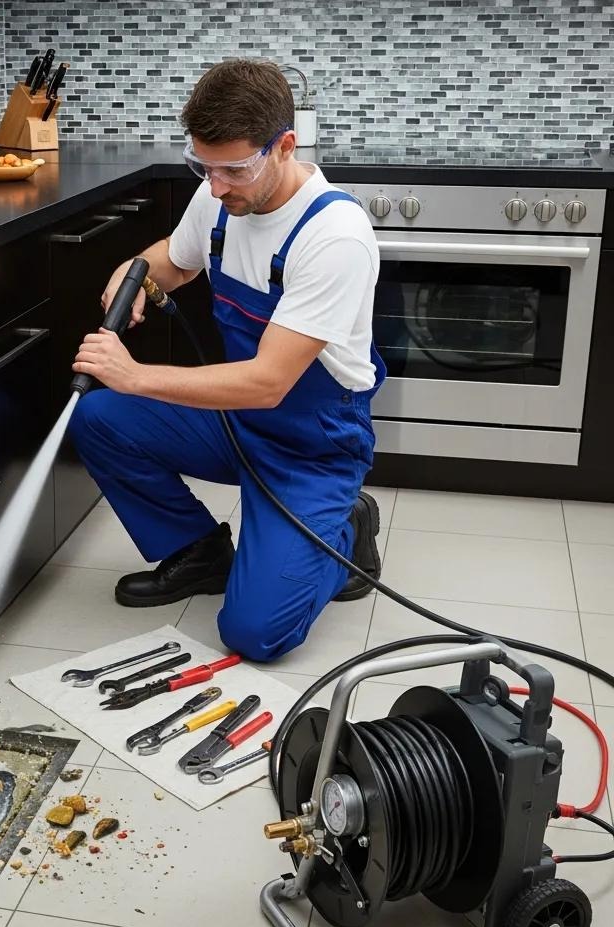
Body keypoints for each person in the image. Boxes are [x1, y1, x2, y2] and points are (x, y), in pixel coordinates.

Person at [67, 59, 386, 664]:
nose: (215, 187)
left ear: (284, 146)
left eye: (233, 169)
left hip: (308, 445)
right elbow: (176, 261)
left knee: (255, 635)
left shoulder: (334, 235)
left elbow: (268, 382)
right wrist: (131, 278)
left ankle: (345, 529)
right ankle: (199, 552)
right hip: (234, 421)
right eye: (202, 166)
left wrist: (135, 375)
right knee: (100, 416)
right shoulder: (218, 196)